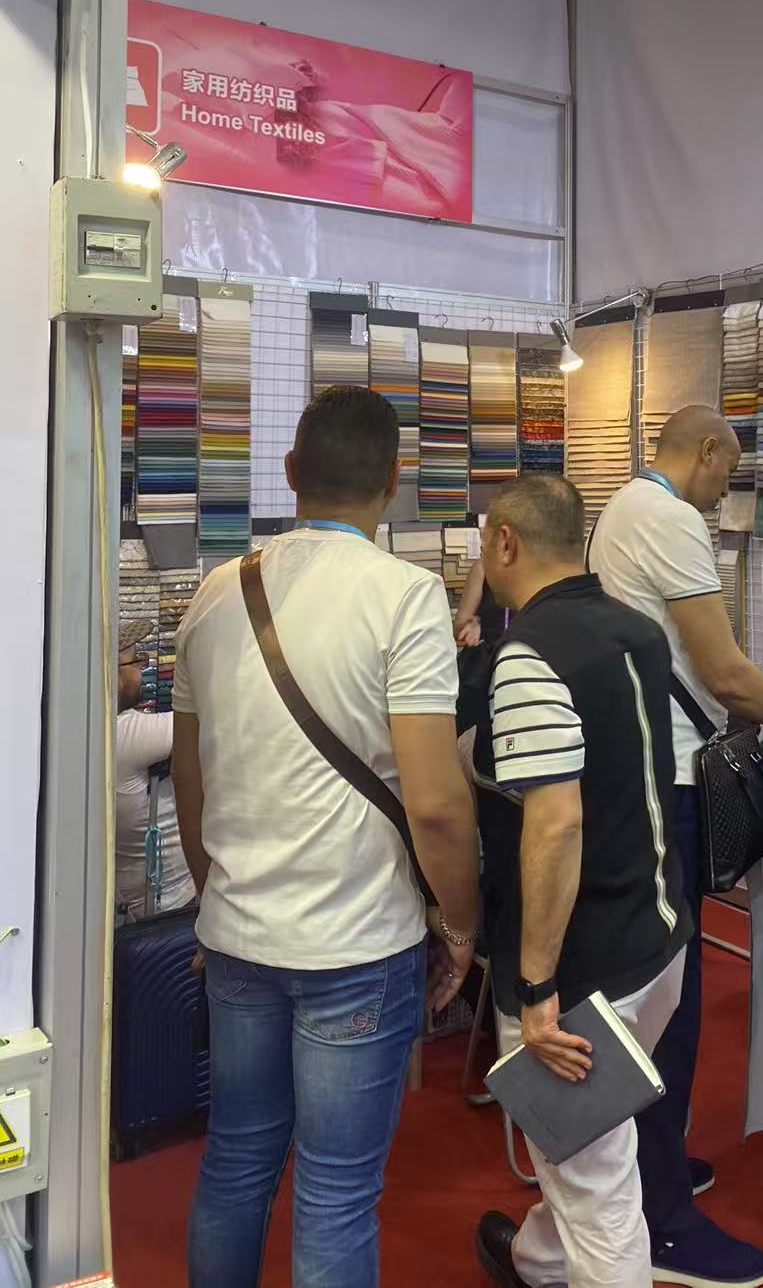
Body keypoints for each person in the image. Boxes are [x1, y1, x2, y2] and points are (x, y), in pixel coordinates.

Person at [171, 385, 481, 1288]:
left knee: (236, 1159)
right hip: (358, 941)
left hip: (239, 934)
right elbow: (436, 802)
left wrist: (215, 900)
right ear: (395, 480)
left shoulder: (216, 591)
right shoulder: (405, 596)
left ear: (289, 472)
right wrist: (460, 923)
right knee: (337, 1193)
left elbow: (189, 775)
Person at [587, 405, 763, 1288]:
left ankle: (650, 1166)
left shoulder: (622, 510)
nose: (725, 493)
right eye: (727, 474)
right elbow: (725, 670)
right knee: (671, 994)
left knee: (658, 985)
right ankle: (661, 1223)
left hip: (639, 776)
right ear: (704, 452)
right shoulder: (668, 518)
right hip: (665, 784)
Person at [471, 474, 692, 1288]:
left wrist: (535, 986)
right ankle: (536, 1260)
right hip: (659, 940)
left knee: (599, 1195)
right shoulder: (638, 630)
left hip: (581, 976)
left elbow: (557, 823)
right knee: (588, 1150)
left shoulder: (528, 654)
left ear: (505, 543)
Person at [115, 619, 195, 922]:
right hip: (171, 904)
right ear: (113, 675)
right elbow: (212, 720)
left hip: (137, 901)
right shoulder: (122, 734)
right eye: (135, 661)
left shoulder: (90, 732)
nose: (141, 670)